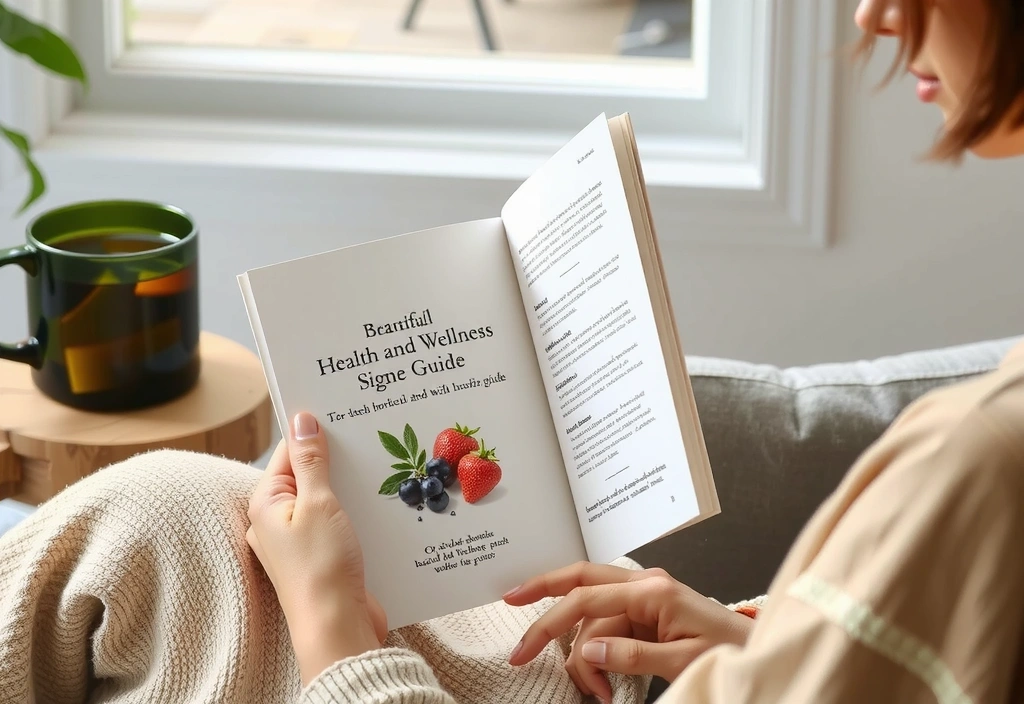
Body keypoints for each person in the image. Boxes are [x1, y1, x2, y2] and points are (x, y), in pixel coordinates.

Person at [1, 0, 1022, 701]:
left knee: (161, 532)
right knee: (165, 524)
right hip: (619, 665)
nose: (874, 17)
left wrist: (334, 630)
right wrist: (757, 644)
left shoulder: (980, 458)